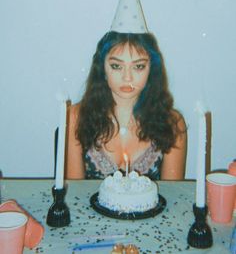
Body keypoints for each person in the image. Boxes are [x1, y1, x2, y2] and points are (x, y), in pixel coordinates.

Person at [65, 30, 187, 180]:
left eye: (138, 66)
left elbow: (173, 197)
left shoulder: (172, 123)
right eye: (116, 66)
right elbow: (74, 194)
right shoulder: (75, 117)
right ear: (102, 68)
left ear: (151, 70)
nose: (127, 77)